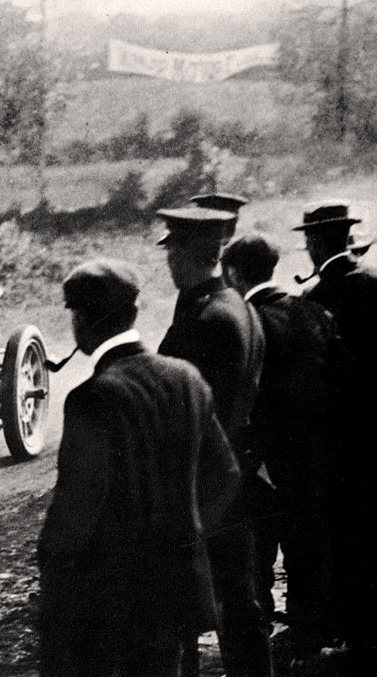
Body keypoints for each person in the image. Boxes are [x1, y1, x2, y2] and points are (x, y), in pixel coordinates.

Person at [37, 258, 240, 677]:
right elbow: (225, 475)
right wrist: (186, 536)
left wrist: (55, 588)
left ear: (80, 321)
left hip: (113, 602)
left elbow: (75, 515)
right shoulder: (186, 377)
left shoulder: (92, 398)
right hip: (177, 588)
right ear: (133, 312)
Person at [156, 198, 273, 677]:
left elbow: (184, 415)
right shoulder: (237, 307)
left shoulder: (204, 321)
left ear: (185, 255)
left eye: (171, 251)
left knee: (210, 608)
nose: (168, 261)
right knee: (239, 603)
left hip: (205, 487)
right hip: (235, 475)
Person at [221, 233, 342, 661]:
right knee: (306, 553)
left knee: (255, 562)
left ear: (233, 273)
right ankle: (305, 642)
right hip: (313, 459)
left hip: (261, 466)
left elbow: (241, 398)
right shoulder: (313, 311)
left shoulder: (242, 322)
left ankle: (264, 647)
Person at [293, 200, 377, 664]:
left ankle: (356, 635)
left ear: (312, 243)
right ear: (347, 236)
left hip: (338, 439)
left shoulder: (314, 299)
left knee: (345, 533)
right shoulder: (376, 282)